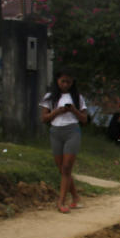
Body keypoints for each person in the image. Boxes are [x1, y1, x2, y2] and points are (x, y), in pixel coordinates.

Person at [39, 70, 89, 213]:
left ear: (72, 82)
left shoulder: (77, 97)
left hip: (72, 131)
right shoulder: (49, 97)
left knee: (67, 167)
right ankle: (75, 197)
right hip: (55, 132)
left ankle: (61, 201)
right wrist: (58, 111)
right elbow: (44, 118)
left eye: (69, 82)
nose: (66, 84)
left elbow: (84, 119)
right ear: (57, 81)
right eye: (63, 81)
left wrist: (73, 110)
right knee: (62, 168)